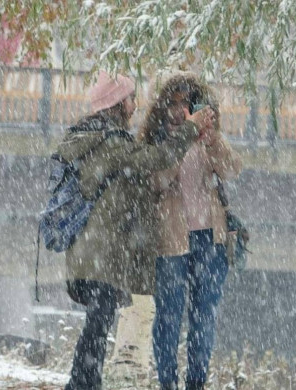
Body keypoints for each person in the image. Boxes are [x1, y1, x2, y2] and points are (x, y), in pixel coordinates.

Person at [58, 71, 215, 390]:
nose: (134, 105)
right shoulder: (111, 143)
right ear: (117, 104)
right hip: (98, 251)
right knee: (98, 323)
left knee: (98, 322)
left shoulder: (92, 136)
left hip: (90, 248)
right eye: (130, 99)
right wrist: (191, 128)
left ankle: (85, 382)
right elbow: (158, 158)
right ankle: (80, 384)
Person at [140, 73, 242, 390]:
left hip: (209, 238)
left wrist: (210, 138)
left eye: (188, 102)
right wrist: (184, 136)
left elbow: (231, 169)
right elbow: (156, 180)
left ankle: (196, 383)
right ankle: (167, 382)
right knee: (168, 316)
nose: (180, 109)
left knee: (203, 316)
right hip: (171, 240)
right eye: (174, 102)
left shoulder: (207, 138)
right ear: (163, 107)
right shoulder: (156, 141)